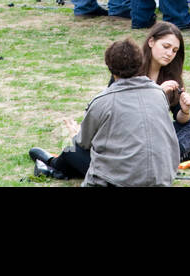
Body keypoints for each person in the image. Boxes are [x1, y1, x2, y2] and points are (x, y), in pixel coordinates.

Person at [32, 23, 190, 180]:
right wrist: (157, 93)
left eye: (175, 51)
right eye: (166, 47)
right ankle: (177, 154)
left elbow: (84, 140)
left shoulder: (170, 76)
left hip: (132, 156)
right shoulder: (130, 68)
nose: (169, 54)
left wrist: (184, 110)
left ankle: (54, 165)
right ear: (151, 42)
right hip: (130, 140)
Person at [57, 39, 179, 187]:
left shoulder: (102, 101)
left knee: (71, 148)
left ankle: (52, 164)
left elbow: (83, 142)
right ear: (141, 63)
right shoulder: (158, 93)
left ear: (110, 67)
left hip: (116, 181)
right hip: (161, 180)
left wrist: (75, 134)